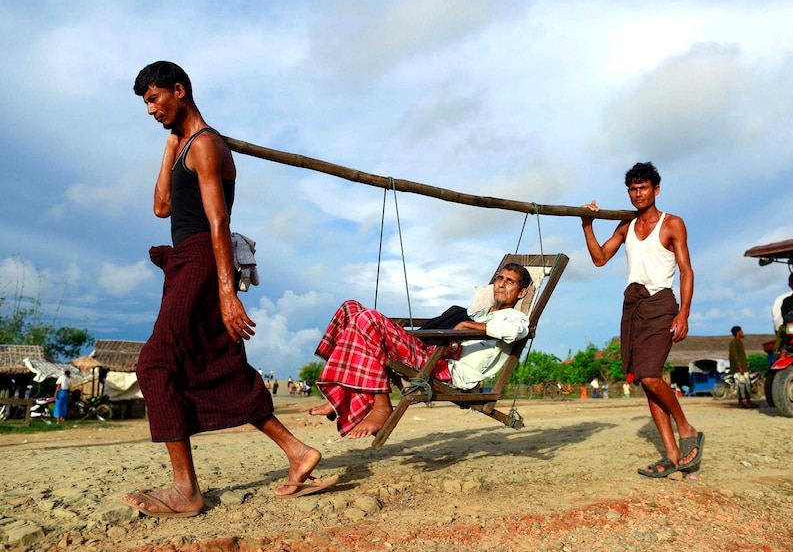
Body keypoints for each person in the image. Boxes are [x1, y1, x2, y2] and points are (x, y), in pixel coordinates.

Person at [122, 61, 335, 519]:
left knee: (155, 362)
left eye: (154, 99)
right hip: (185, 260)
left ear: (179, 91)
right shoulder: (184, 146)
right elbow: (161, 207)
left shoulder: (206, 146)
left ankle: (186, 490)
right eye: (145, 103)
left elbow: (220, 223)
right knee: (219, 363)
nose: (150, 110)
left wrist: (226, 293)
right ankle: (298, 452)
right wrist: (168, 144)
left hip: (202, 259)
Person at [309, 263, 532, 439]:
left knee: (368, 319)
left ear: (521, 293)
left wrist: (464, 328)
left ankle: (381, 405)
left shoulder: (515, 318)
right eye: (499, 278)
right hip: (433, 352)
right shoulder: (479, 313)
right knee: (350, 308)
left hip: (446, 368)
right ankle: (340, 392)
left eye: (510, 281)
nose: (501, 284)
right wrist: (464, 326)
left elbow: (516, 331)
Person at [581, 161, 703, 478]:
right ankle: (672, 456)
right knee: (645, 383)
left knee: (651, 376)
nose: (638, 193)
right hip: (632, 306)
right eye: (633, 189)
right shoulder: (625, 226)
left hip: (661, 303)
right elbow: (598, 259)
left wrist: (684, 312)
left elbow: (687, 270)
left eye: (643, 187)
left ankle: (686, 427)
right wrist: (587, 225)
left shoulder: (672, 223)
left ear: (656, 189)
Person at [729, 326, 755, 408]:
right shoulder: (734, 343)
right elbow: (735, 356)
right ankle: (742, 402)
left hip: (743, 367)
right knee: (741, 386)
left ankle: (747, 401)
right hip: (739, 369)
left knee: (746, 385)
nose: (743, 332)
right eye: (741, 331)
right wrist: (739, 367)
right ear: (738, 333)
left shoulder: (739, 342)